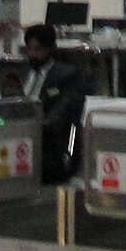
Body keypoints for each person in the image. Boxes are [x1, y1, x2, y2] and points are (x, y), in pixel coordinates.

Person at [20, 24, 87, 183]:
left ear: (50, 49)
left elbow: (64, 112)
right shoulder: (23, 74)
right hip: (23, 141)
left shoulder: (67, 76)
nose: (33, 54)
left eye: (38, 49)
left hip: (53, 147)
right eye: (29, 49)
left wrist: (35, 127)